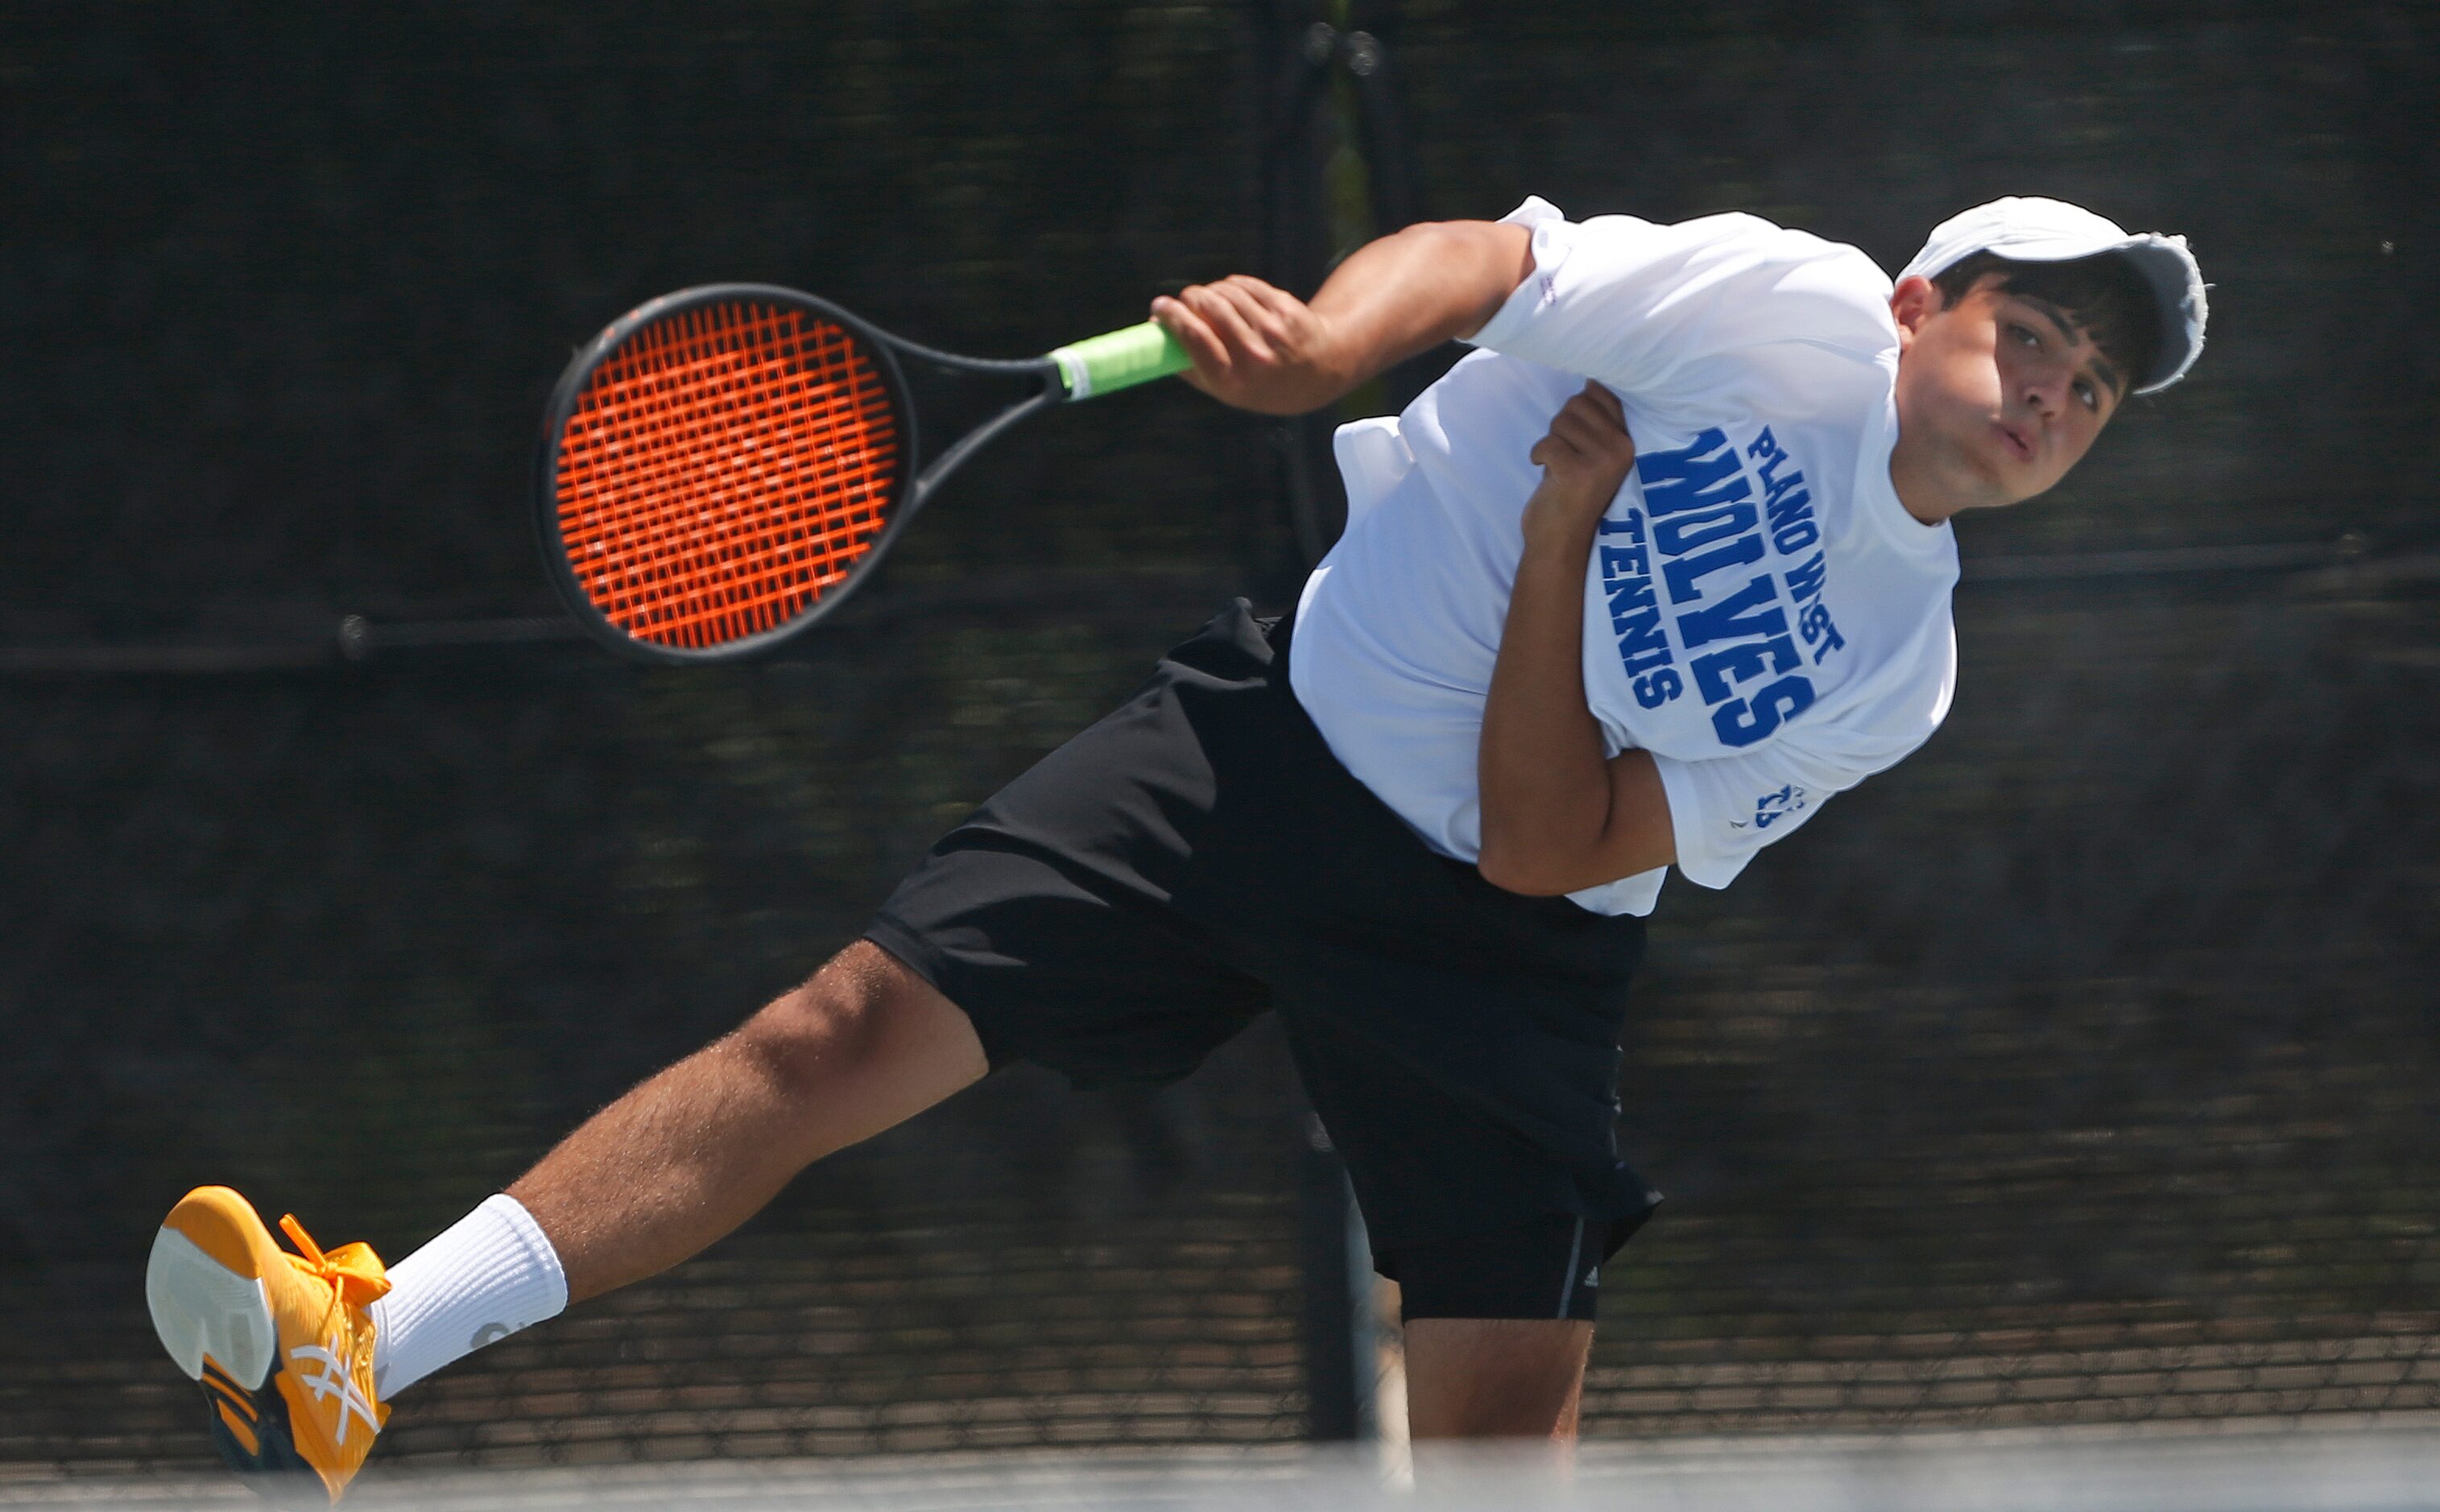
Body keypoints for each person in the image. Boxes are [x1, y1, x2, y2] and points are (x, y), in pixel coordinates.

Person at [143, 194, 2206, 1499]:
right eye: (2035, 332)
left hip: (1507, 946)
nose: (2052, 391)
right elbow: (1494, 261)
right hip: (1261, 751)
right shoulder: (1782, 308)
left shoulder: (1900, 667)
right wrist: (1326, 340)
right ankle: (362, 1350)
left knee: (1499, 1445)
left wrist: (1569, 542)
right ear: (1928, 296)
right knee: (833, 1035)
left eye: (2095, 389)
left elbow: (1542, 845)